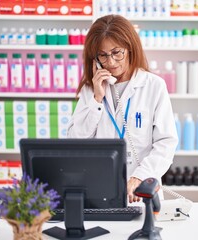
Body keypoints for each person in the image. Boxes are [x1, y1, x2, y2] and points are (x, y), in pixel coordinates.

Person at [67, 14, 178, 203]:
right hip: (99, 191)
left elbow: (166, 142)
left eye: (117, 52)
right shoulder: (91, 89)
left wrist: (140, 177)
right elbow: (75, 140)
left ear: (130, 48)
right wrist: (97, 99)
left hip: (142, 191)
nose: (110, 62)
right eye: (103, 55)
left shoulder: (153, 86)